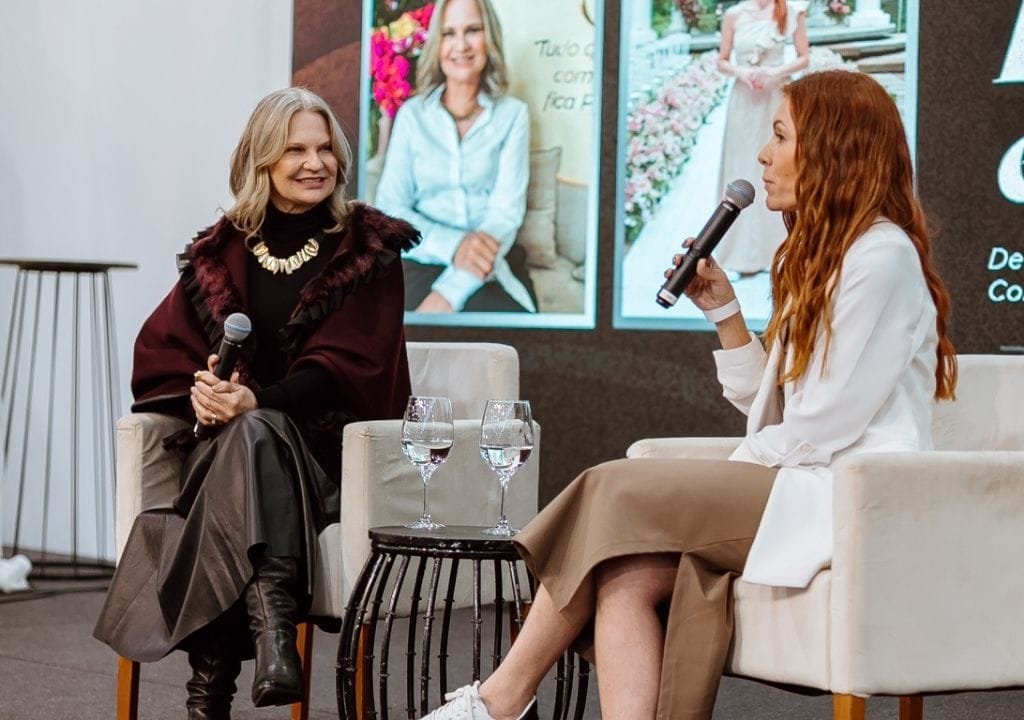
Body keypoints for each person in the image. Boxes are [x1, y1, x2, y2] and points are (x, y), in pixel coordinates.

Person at [421, 70, 958, 720]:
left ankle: (499, 699)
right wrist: (726, 312)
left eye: (781, 136)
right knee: (620, 577)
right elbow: (780, 407)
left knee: (612, 487)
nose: (762, 154)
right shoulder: (817, 255)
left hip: (847, 494)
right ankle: (501, 701)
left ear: (834, 151)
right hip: (803, 476)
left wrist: (722, 477)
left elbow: (823, 426)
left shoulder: (882, 258)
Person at [94, 87, 418, 719]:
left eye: (325, 148)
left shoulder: (367, 249)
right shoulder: (221, 252)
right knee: (245, 436)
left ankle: (209, 690)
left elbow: (351, 365)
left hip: (324, 457)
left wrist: (256, 401)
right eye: (294, 149)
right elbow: (162, 352)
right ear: (261, 160)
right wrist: (206, 394)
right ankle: (271, 639)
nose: (314, 162)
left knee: (258, 430)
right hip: (229, 456)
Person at [375, 0, 538, 314]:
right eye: (449, 33)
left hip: (489, 263)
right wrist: (453, 246)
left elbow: (505, 214)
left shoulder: (513, 115)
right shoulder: (413, 116)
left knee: (518, 346)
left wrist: (449, 293)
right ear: (437, 44)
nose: (460, 45)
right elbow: (389, 209)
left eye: (473, 30)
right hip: (419, 259)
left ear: (489, 38)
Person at [714, 0, 810, 278]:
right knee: (741, 169)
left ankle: (779, 252)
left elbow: (804, 56)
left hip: (775, 96)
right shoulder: (733, 14)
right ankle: (737, 255)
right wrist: (742, 73)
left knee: (778, 170)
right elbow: (722, 60)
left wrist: (774, 73)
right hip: (744, 99)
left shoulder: (790, 11)